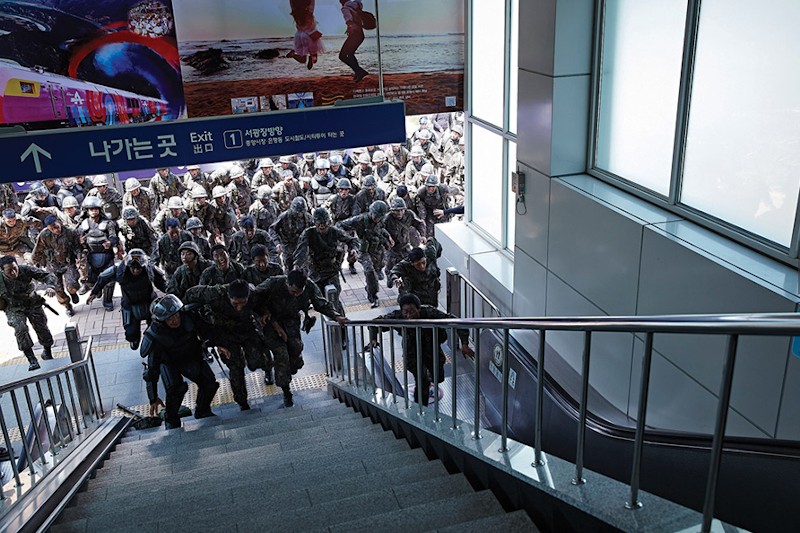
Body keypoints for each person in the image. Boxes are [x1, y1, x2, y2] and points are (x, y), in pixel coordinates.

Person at [256, 270, 347, 406]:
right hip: (270, 322)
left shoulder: (309, 285)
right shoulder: (273, 283)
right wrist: (264, 313)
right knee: (281, 356)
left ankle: (287, 369)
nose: (296, 295)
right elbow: (253, 297)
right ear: (287, 282)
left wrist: (336, 316)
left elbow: (320, 303)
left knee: (295, 353)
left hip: (291, 321)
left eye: (299, 293)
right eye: (293, 292)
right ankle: (286, 392)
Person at [371, 293, 474, 406]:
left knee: (438, 377)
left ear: (419, 309)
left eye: (412, 311)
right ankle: (420, 408)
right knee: (422, 380)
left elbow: (456, 321)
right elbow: (374, 323)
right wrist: (374, 338)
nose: (408, 315)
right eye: (405, 312)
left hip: (432, 350)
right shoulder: (398, 316)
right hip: (412, 354)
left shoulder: (429, 313)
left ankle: (427, 387)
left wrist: (464, 344)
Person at [185, 280, 271, 409]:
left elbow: (262, 304)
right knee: (235, 367)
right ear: (229, 297)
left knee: (256, 362)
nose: (239, 307)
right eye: (235, 303)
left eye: (243, 303)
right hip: (225, 336)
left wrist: (265, 313)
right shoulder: (214, 293)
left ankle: (268, 368)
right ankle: (242, 402)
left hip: (247, 330)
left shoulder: (253, 293)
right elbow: (190, 294)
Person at [141, 294, 219, 429]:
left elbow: (208, 332)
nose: (175, 320)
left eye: (176, 315)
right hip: (169, 363)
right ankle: (171, 419)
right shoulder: (155, 335)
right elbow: (152, 370)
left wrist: (219, 344)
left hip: (191, 355)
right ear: (161, 321)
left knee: (210, 383)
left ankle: (203, 410)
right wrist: (153, 397)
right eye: (169, 318)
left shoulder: (189, 316)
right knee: (176, 390)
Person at [89, 249, 167, 350]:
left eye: (138, 268)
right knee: (131, 333)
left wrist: (170, 291)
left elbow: (161, 283)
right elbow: (103, 278)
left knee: (157, 329)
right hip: (129, 303)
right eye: (133, 268)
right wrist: (95, 292)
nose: (135, 271)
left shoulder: (150, 269)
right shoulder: (118, 270)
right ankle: (134, 339)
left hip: (149, 302)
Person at [0, 255, 57, 371]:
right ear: (2, 270)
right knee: (20, 329)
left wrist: (50, 286)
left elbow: (48, 276)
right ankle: (31, 359)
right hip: (14, 307)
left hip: (32, 303)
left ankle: (47, 350)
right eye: (9, 270)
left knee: (42, 328)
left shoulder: (25, 270)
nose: (13, 272)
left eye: (15, 268)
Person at [338, 200, 392, 307]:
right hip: (364, 250)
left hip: (376, 248)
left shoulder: (380, 220)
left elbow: (381, 230)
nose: (376, 218)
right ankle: (373, 295)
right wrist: (350, 240)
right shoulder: (360, 220)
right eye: (375, 216)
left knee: (376, 272)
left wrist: (388, 237)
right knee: (369, 270)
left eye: (379, 217)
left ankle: (370, 286)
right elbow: (340, 225)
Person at [31, 215, 81, 316]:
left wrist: (79, 257)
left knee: (72, 285)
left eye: (56, 227)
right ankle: (67, 306)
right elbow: (37, 250)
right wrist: (35, 264)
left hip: (67, 263)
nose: (55, 230)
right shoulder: (44, 235)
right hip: (52, 265)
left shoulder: (70, 232)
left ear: (59, 222)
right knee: (57, 289)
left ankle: (72, 292)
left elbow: (77, 246)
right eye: (52, 228)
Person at [78, 196, 122, 310]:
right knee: (91, 281)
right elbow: (78, 243)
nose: (93, 211)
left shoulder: (108, 223)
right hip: (91, 257)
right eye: (91, 209)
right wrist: (81, 243)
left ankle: (107, 301)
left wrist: (110, 243)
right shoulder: (83, 224)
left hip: (107, 256)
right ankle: (96, 290)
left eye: (95, 209)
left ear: (99, 210)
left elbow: (114, 237)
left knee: (110, 281)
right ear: (87, 211)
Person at [383, 198, 426, 286]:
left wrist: (422, 235)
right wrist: (387, 237)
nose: (399, 213)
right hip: (392, 248)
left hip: (405, 246)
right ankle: (391, 277)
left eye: (401, 210)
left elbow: (419, 223)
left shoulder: (409, 214)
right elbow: (379, 230)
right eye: (396, 211)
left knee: (409, 265)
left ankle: (407, 283)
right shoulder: (387, 218)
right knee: (390, 267)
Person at [270, 197, 312, 273]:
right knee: (289, 269)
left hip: (302, 247)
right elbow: (272, 229)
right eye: (297, 213)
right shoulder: (284, 217)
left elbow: (314, 230)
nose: (299, 215)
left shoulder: (308, 218)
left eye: (301, 213)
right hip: (287, 246)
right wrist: (277, 243)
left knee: (303, 269)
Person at [288, 0, 324, 70]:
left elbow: (292, 3)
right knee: (315, 58)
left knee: (303, 59)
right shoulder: (309, 12)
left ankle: (293, 55)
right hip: (310, 35)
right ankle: (312, 58)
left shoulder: (295, 13)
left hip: (299, 37)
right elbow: (312, 2)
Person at [339, 0, 368, 82]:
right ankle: (358, 72)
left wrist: (349, 27)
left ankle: (360, 71)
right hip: (361, 35)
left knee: (342, 56)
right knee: (350, 53)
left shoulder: (345, 8)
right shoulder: (357, 5)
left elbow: (349, 20)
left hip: (355, 34)